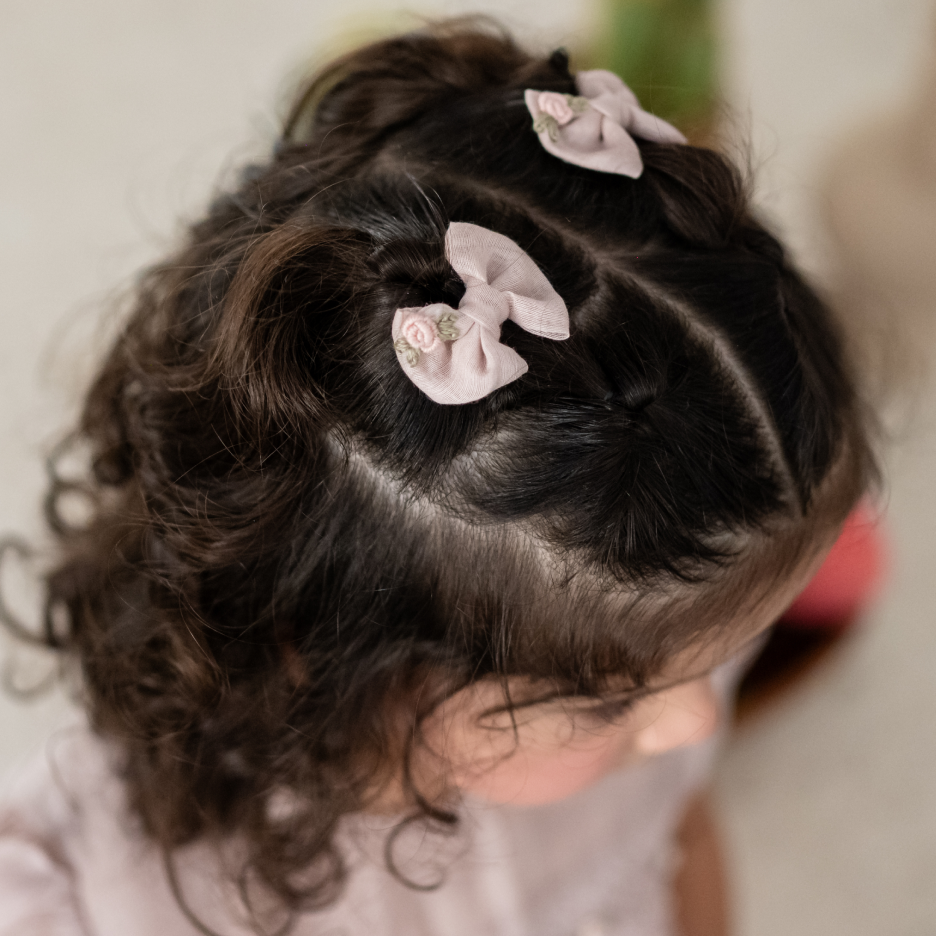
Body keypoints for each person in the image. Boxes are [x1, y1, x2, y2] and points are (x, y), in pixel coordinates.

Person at [0, 20, 876, 936]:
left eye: (721, 654)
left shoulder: (656, 651)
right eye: (615, 698)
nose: (696, 721)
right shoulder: (101, 902)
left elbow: (677, 839)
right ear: (340, 657)